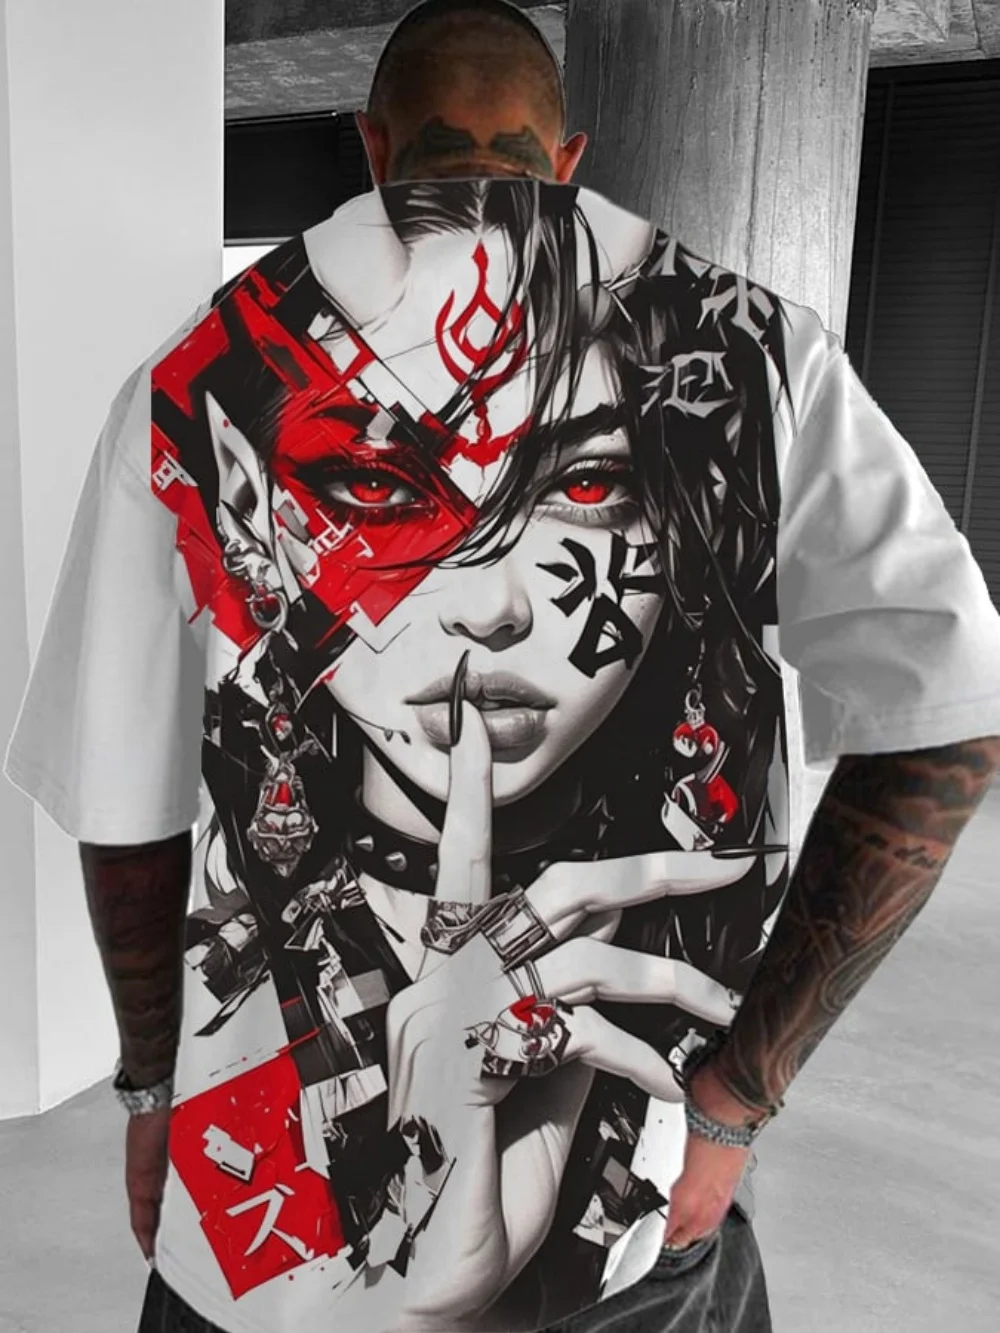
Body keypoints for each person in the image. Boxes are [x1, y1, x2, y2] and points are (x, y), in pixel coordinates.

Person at [5, 1, 1000, 1331]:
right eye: (376, 495)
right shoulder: (766, 354)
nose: (484, 607)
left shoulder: (199, 378)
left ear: (372, 146)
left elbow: (124, 802)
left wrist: (148, 1093)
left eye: (581, 488)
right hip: (630, 1250)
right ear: (566, 158)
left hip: (263, 1273)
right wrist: (736, 1095)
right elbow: (951, 709)